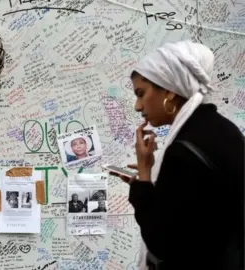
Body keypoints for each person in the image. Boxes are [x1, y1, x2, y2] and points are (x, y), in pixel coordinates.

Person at [109, 40, 244, 270]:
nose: (137, 106)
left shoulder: (184, 150)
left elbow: (162, 241)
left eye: (141, 94)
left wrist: (143, 175)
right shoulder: (224, 130)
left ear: (169, 91)